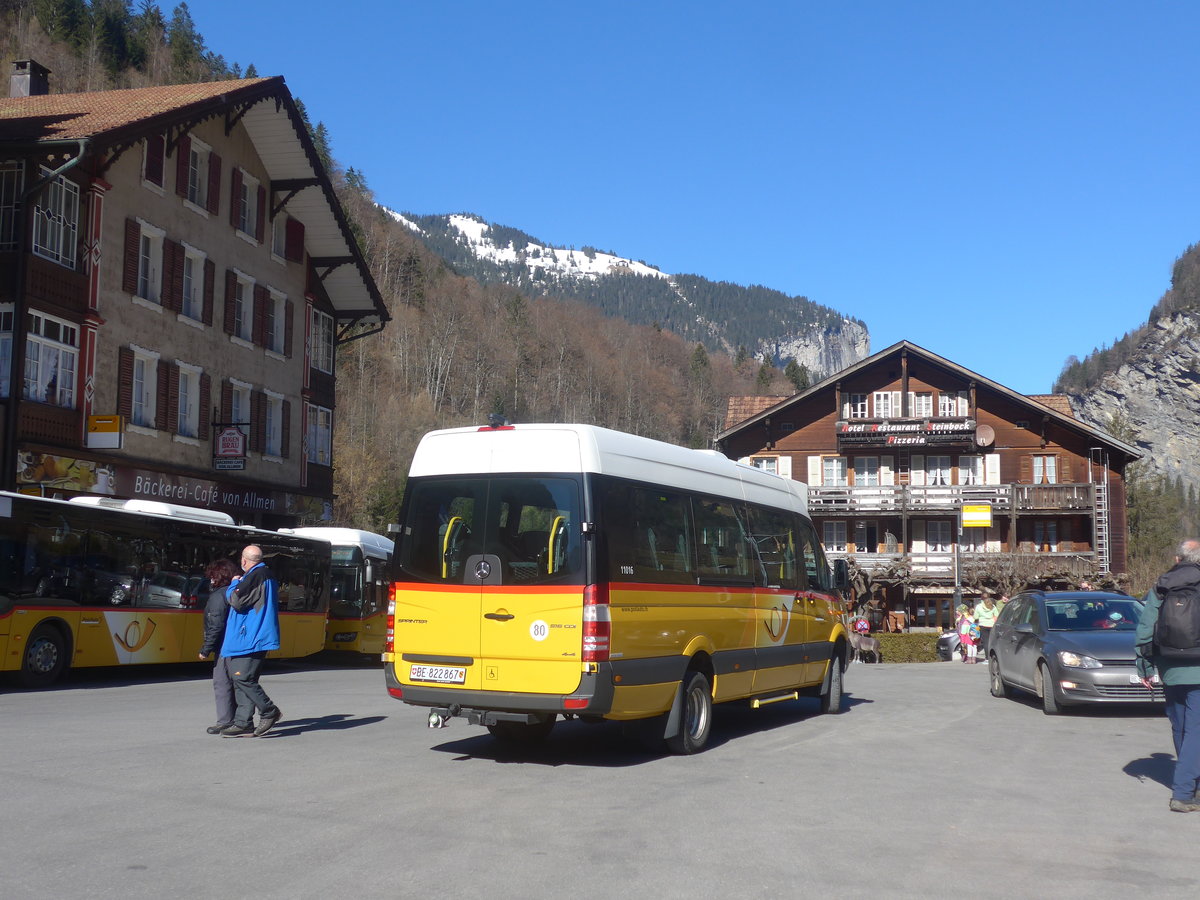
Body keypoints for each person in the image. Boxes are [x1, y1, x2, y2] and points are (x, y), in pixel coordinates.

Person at [1136, 539, 1200, 813]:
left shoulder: (1162, 585)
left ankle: (1191, 785)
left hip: (1170, 666)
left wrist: (1145, 666)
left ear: (1177, 559)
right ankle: (1184, 792)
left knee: (1182, 727)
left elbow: (1145, 628)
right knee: (1196, 732)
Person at [219, 545, 284, 738]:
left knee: (242, 678)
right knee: (243, 679)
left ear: (244, 560)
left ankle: (269, 711)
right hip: (252, 636)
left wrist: (233, 584)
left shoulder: (255, 575)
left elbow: (236, 599)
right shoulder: (265, 574)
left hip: (250, 637)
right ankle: (243, 722)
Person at [198, 557, 241, 735]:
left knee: (222, 683)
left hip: (224, 646)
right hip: (237, 644)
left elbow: (216, 625)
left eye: (212, 576)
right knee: (237, 684)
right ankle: (240, 720)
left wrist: (205, 649)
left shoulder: (218, 596)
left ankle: (225, 721)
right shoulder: (234, 592)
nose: (210, 579)